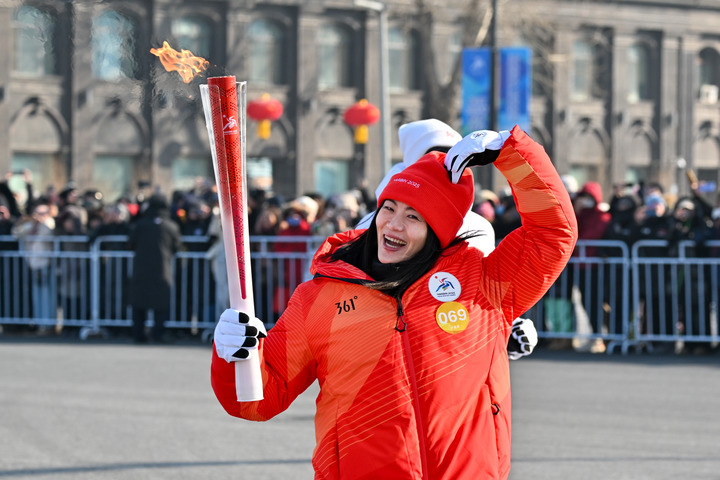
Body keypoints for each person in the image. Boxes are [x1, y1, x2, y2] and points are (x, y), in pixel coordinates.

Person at [211, 126, 578, 479]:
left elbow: (554, 233)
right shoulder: (321, 298)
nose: (394, 226)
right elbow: (257, 401)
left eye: (414, 216)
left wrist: (512, 155)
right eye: (389, 208)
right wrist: (236, 357)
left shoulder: (481, 283)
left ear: (438, 231)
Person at [357, 118, 536, 359]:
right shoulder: (374, 222)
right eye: (432, 154)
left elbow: (483, 293)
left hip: (452, 353)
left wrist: (504, 328)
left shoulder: (477, 226)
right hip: (386, 348)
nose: (443, 162)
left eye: (451, 154)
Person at [128, 193, 182, 343]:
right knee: (161, 304)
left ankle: (138, 334)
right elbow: (177, 247)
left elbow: (131, 243)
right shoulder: (171, 226)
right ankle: (158, 334)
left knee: (139, 304)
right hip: (162, 270)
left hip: (141, 270)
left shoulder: (140, 225)